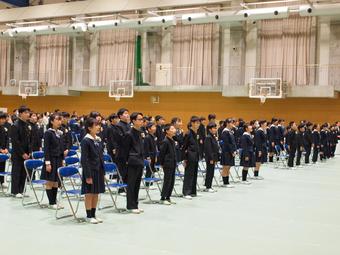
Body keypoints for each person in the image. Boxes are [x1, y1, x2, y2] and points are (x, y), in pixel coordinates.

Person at [80, 117, 105, 224]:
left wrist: (103, 171)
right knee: (89, 194)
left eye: (99, 125)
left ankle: (94, 214)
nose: (99, 127)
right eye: (96, 125)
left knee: (96, 193)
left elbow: (100, 156)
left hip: (98, 169)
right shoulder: (86, 141)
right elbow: (84, 159)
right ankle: (89, 215)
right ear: (89, 128)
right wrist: (88, 175)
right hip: (90, 170)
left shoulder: (98, 140)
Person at [41, 113, 65, 209]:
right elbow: (46, 149)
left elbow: (61, 147)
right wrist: (47, 163)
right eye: (57, 120)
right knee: (50, 181)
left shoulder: (59, 133)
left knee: (56, 181)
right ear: (51, 121)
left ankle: (54, 201)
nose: (59, 122)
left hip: (58, 159)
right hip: (51, 159)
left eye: (60, 120)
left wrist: (62, 159)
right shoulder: (48, 133)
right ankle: (51, 203)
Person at [125, 112, 145, 214]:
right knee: (131, 184)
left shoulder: (140, 132)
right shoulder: (129, 134)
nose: (141, 121)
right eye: (139, 119)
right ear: (133, 121)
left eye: (142, 119)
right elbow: (125, 150)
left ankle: (135, 204)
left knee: (137, 184)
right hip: (132, 162)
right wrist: (127, 162)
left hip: (140, 162)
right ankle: (130, 205)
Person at [10, 106, 32, 198]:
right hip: (18, 153)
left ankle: (21, 190)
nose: (28, 114)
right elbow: (15, 141)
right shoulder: (15, 125)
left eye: (28, 112)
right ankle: (15, 191)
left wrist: (29, 151)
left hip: (27, 153)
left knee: (24, 172)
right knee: (17, 172)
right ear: (21, 113)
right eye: (26, 112)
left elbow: (30, 139)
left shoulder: (27, 124)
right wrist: (22, 153)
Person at [182, 116, 200, 199]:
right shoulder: (188, 133)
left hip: (195, 156)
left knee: (194, 174)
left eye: (198, 123)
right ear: (192, 123)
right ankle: (186, 192)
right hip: (189, 157)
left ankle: (193, 191)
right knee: (189, 175)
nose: (198, 124)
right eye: (196, 123)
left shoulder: (196, 133)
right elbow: (184, 147)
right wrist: (184, 159)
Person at [159, 123, 177, 205]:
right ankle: (163, 198)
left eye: (174, 129)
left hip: (173, 163)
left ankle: (168, 197)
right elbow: (161, 154)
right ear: (167, 131)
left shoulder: (172, 140)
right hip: (167, 164)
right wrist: (162, 164)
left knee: (172, 181)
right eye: (172, 129)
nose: (174, 130)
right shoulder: (165, 141)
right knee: (167, 181)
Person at [220, 118, 237, 188]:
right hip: (226, 152)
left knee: (229, 167)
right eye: (231, 123)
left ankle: (227, 181)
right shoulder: (225, 132)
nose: (232, 124)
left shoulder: (230, 131)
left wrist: (235, 150)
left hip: (231, 152)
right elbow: (227, 143)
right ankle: (225, 182)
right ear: (227, 123)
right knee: (225, 167)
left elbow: (233, 142)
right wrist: (232, 151)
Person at [203, 122, 219, 192]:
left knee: (211, 172)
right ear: (209, 129)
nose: (215, 129)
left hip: (214, 157)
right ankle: (208, 186)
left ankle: (209, 185)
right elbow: (208, 149)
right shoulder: (208, 137)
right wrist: (211, 158)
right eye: (214, 128)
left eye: (216, 128)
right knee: (209, 172)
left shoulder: (213, 136)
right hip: (210, 158)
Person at [143, 122, 158, 187]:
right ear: (149, 129)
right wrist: (148, 157)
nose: (155, 128)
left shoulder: (153, 136)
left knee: (152, 169)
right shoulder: (147, 137)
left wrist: (156, 156)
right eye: (153, 127)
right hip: (149, 156)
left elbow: (155, 147)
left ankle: (151, 183)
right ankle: (147, 184)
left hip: (154, 155)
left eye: (155, 127)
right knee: (149, 170)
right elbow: (146, 148)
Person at [0, 112, 9, 188]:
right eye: (2, 119)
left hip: (4, 151)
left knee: (3, 166)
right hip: (0, 150)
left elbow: (7, 140)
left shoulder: (4, 128)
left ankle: (2, 181)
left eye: (4, 119)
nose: (3, 120)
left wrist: (6, 148)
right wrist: (0, 150)